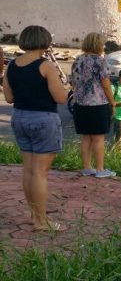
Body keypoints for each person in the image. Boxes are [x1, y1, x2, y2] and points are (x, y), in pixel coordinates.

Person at [2, 25, 69, 232]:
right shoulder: (46, 65)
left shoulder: (12, 65)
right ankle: (42, 221)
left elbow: (9, 98)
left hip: (20, 117)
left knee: (29, 170)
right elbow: (60, 97)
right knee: (40, 173)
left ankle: (34, 215)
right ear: (45, 41)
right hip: (43, 119)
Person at [72, 32, 117, 178]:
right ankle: (100, 169)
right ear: (98, 44)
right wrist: (112, 102)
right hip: (97, 103)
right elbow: (105, 84)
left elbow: (74, 81)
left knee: (85, 137)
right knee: (98, 137)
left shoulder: (77, 60)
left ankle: (86, 167)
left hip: (80, 103)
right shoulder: (100, 61)